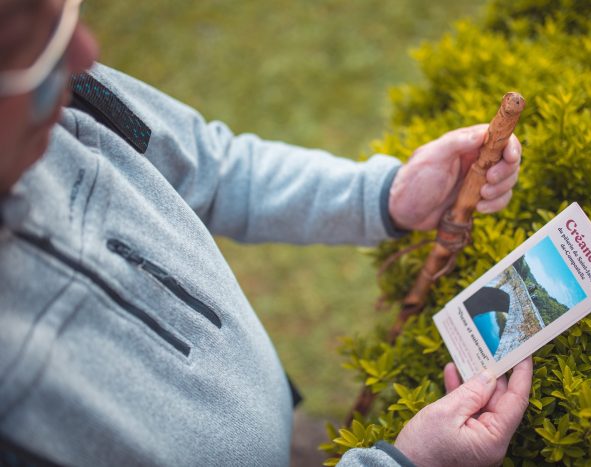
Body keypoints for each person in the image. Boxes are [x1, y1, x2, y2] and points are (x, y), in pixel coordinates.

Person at [0, 0, 532, 465]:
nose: (85, 55)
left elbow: (211, 168)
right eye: (29, 45)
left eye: (66, 12)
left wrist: (386, 197)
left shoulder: (69, 94)